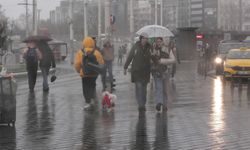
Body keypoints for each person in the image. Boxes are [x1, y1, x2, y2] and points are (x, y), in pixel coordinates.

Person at [124, 33, 151, 112]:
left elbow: (153, 57)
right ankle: (140, 105)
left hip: (146, 72)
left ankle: (143, 103)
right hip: (137, 71)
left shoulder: (149, 47)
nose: (145, 40)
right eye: (143, 38)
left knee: (144, 90)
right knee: (139, 88)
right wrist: (125, 67)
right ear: (141, 39)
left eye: (146, 38)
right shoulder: (135, 47)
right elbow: (130, 57)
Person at [74, 37, 104, 110]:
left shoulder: (80, 52)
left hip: (84, 74)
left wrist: (79, 71)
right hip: (94, 73)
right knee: (92, 85)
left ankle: (88, 102)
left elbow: (77, 64)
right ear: (93, 43)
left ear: (84, 43)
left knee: (85, 88)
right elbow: (101, 63)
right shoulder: (96, 52)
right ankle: (92, 98)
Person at [151, 37, 175, 112]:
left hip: (165, 72)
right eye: (157, 41)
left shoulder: (167, 49)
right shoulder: (153, 50)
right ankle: (159, 103)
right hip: (156, 72)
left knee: (164, 89)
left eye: (160, 41)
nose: (159, 43)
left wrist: (162, 61)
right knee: (158, 88)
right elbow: (150, 60)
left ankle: (165, 105)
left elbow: (173, 60)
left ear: (162, 42)